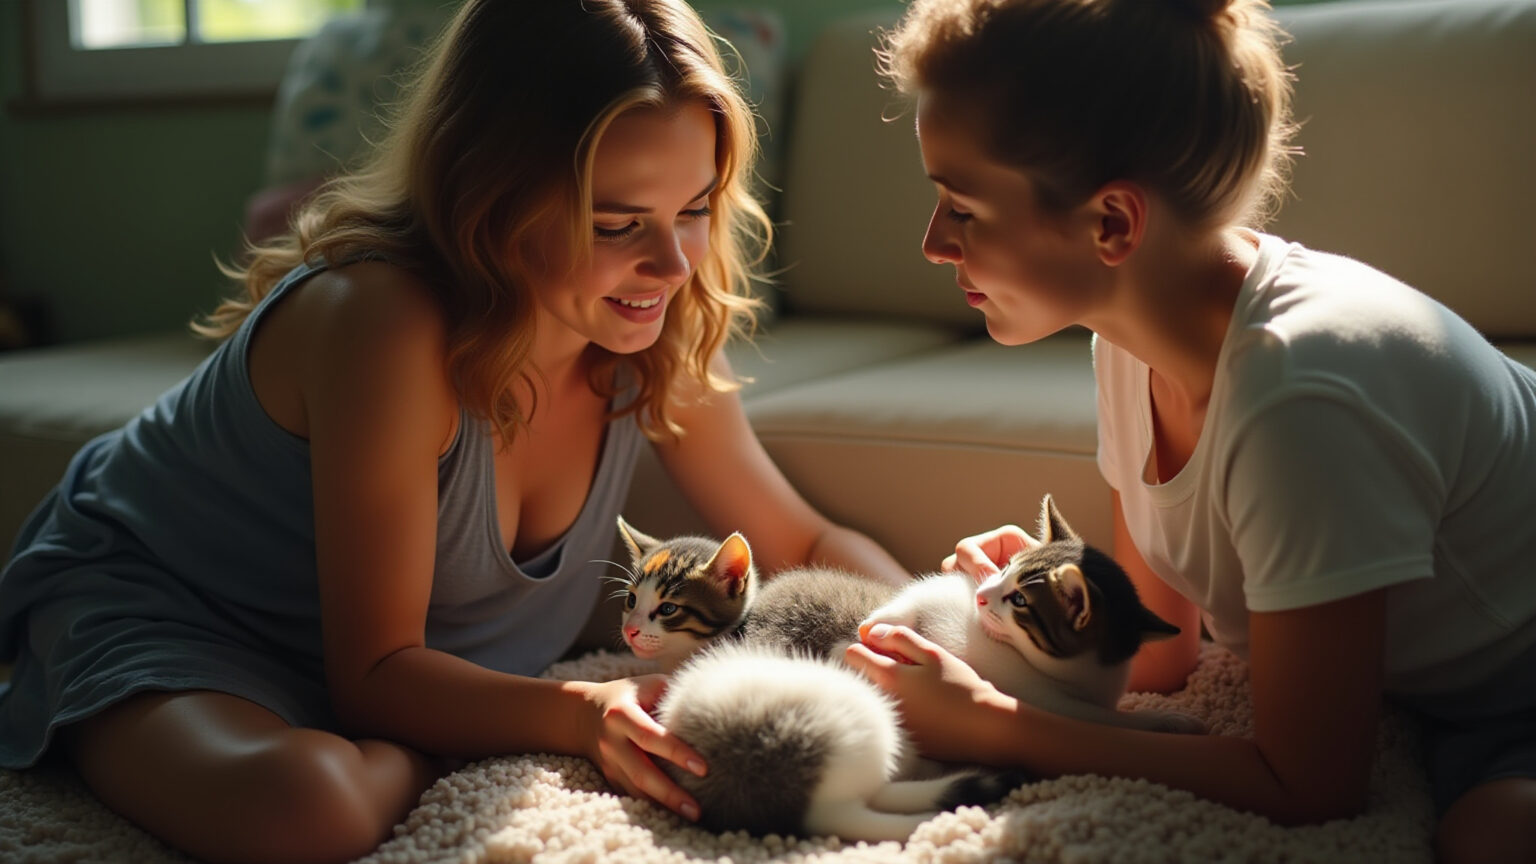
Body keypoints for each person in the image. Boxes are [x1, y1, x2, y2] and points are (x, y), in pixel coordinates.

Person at [0, 2, 908, 863]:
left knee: (336, 775)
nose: (670, 264)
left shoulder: (648, 327)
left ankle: (433, 737)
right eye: (616, 222)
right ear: (494, 197)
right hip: (170, 606)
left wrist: (937, 637)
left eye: (697, 208)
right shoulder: (382, 322)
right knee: (305, 808)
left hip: (375, 674)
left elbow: (803, 541)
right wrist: (578, 713)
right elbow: (379, 673)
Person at [841, 1, 1536, 862]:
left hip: (1514, 695)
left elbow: (1314, 784)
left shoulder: (1300, 396)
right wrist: (1064, 615)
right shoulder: (1129, 344)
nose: (932, 244)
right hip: (1445, 700)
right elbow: (1163, 659)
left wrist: (995, 724)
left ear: (1113, 224)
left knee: (1493, 840)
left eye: (963, 209)